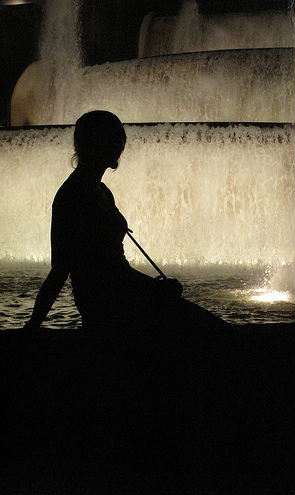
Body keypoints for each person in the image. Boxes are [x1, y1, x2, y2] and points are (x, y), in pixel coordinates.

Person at [23, 110, 230, 336]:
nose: (120, 149)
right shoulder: (70, 197)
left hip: (124, 290)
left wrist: (155, 287)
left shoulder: (102, 191)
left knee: (200, 323)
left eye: (120, 142)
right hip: (105, 302)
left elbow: (116, 267)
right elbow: (60, 270)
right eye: (114, 141)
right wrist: (33, 325)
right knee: (200, 328)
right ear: (96, 144)